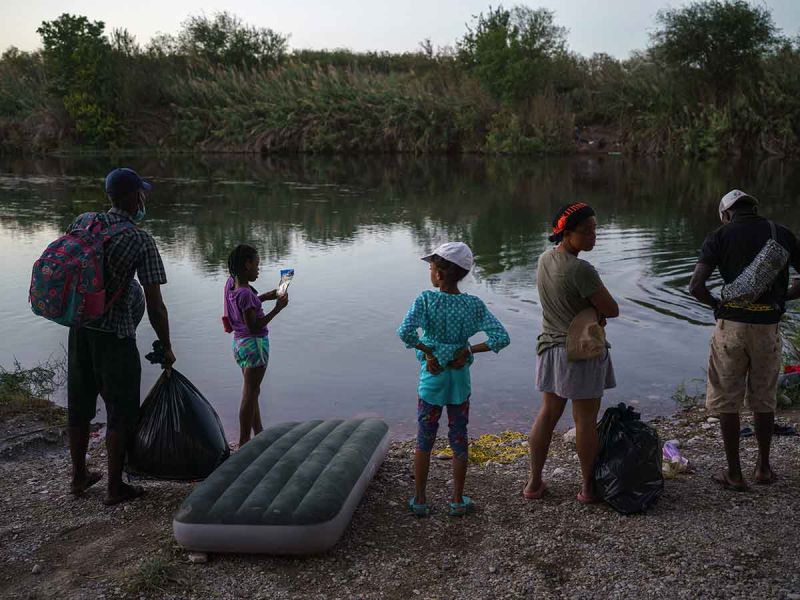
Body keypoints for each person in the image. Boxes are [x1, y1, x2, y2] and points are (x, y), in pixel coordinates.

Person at [67, 167, 175, 506]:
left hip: (80, 329)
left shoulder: (84, 221)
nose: (144, 199)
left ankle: (79, 476)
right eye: (141, 193)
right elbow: (156, 306)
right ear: (131, 197)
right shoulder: (139, 239)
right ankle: (115, 487)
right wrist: (167, 346)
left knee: (79, 406)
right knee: (121, 410)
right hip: (115, 335)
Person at [689, 189, 800, 491]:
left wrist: (717, 306)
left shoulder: (719, 236)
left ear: (727, 214)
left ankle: (734, 473)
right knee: (764, 398)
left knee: (728, 398)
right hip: (768, 327)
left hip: (732, 328)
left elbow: (696, 287)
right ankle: (763, 469)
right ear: (754, 208)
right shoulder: (782, 233)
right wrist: (782, 297)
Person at [397, 242, 510, 517]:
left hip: (431, 382)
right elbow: (501, 338)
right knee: (459, 438)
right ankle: (458, 500)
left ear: (437, 273)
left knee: (425, 440)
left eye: (431, 267)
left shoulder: (426, 300)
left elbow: (405, 333)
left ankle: (421, 500)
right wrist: (469, 349)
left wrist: (428, 352)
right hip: (459, 383)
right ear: (461, 274)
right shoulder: (473, 305)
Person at [524, 203, 619, 504]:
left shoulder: (544, 259)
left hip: (550, 350)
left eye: (595, 229)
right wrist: (596, 313)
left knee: (548, 413)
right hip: (580, 352)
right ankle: (588, 488)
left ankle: (534, 483)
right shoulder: (580, 269)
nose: (593, 236)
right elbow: (612, 309)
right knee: (585, 420)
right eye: (587, 231)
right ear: (566, 233)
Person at [224, 244, 289, 447]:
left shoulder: (231, 285)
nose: (258, 269)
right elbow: (254, 325)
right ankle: (244, 441)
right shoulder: (245, 293)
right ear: (247, 265)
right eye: (257, 265)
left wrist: (265, 297)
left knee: (253, 391)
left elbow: (245, 307)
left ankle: (258, 432)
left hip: (240, 344)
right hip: (254, 345)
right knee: (249, 392)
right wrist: (278, 308)